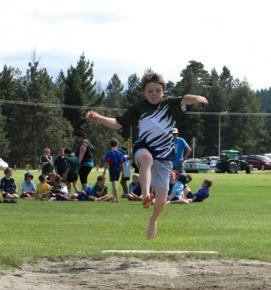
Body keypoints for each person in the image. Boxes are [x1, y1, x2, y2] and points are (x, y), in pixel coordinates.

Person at [86, 71, 208, 239]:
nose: (154, 94)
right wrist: (98, 117)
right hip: (143, 148)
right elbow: (117, 123)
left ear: (163, 91)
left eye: (158, 90)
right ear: (144, 92)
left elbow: (184, 98)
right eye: (150, 91)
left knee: (162, 201)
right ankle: (145, 195)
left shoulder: (169, 104)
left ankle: (153, 220)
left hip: (164, 157)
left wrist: (196, 98)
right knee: (146, 158)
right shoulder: (139, 108)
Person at [103, 139, 125, 203]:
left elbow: (107, 162)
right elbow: (122, 163)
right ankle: (114, 198)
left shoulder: (109, 152)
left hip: (113, 167)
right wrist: (123, 172)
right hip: (119, 168)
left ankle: (116, 199)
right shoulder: (120, 153)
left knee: (114, 183)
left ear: (110, 145)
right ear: (117, 145)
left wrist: (104, 171)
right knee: (114, 183)